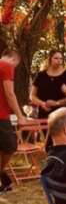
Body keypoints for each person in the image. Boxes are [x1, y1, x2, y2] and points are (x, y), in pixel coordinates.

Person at [0, 49, 27, 193]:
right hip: (1, 115)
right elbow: (10, 94)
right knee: (10, 146)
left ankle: (4, 181)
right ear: (13, 59)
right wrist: (20, 115)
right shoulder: (6, 66)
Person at [30, 50, 66, 119]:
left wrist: (57, 103)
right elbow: (32, 96)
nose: (59, 61)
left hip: (63, 114)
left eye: (61, 58)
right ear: (50, 59)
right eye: (56, 58)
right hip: (44, 113)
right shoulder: (41, 75)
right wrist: (42, 104)